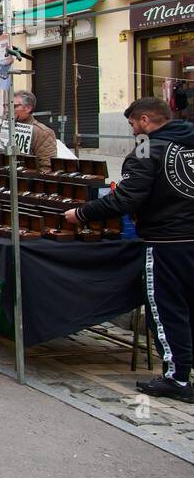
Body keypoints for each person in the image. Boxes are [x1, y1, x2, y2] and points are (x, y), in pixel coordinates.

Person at [65, 98, 194, 402]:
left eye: (134, 124)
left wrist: (81, 214)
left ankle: (177, 378)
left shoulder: (148, 151)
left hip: (167, 241)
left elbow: (125, 199)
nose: (134, 130)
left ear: (146, 120)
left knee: (168, 308)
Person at [13, 89, 58, 171]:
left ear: (28, 108)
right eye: (6, 105)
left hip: (26, 182)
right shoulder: (5, 128)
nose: (8, 109)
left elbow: (47, 168)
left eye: (14, 106)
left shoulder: (43, 132)